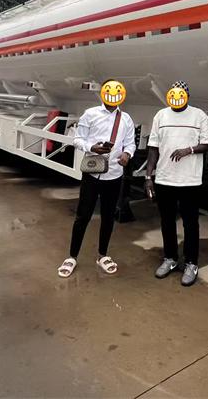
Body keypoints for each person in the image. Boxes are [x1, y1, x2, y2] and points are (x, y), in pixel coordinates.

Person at [58, 79, 135, 278]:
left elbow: (130, 143)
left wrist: (127, 154)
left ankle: (102, 255)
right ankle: (72, 257)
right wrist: (91, 147)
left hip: (114, 174)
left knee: (108, 217)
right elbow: (77, 139)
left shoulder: (126, 119)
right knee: (83, 216)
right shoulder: (90, 114)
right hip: (92, 173)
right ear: (103, 93)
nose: (113, 96)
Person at [145, 81, 208, 286]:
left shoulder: (198, 115)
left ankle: (191, 263)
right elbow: (153, 148)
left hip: (189, 181)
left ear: (187, 96)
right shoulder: (161, 115)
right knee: (166, 221)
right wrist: (148, 177)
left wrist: (188, 150)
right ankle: (170, 258)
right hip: (164, 179)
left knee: (190, 223)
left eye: (181, 94)